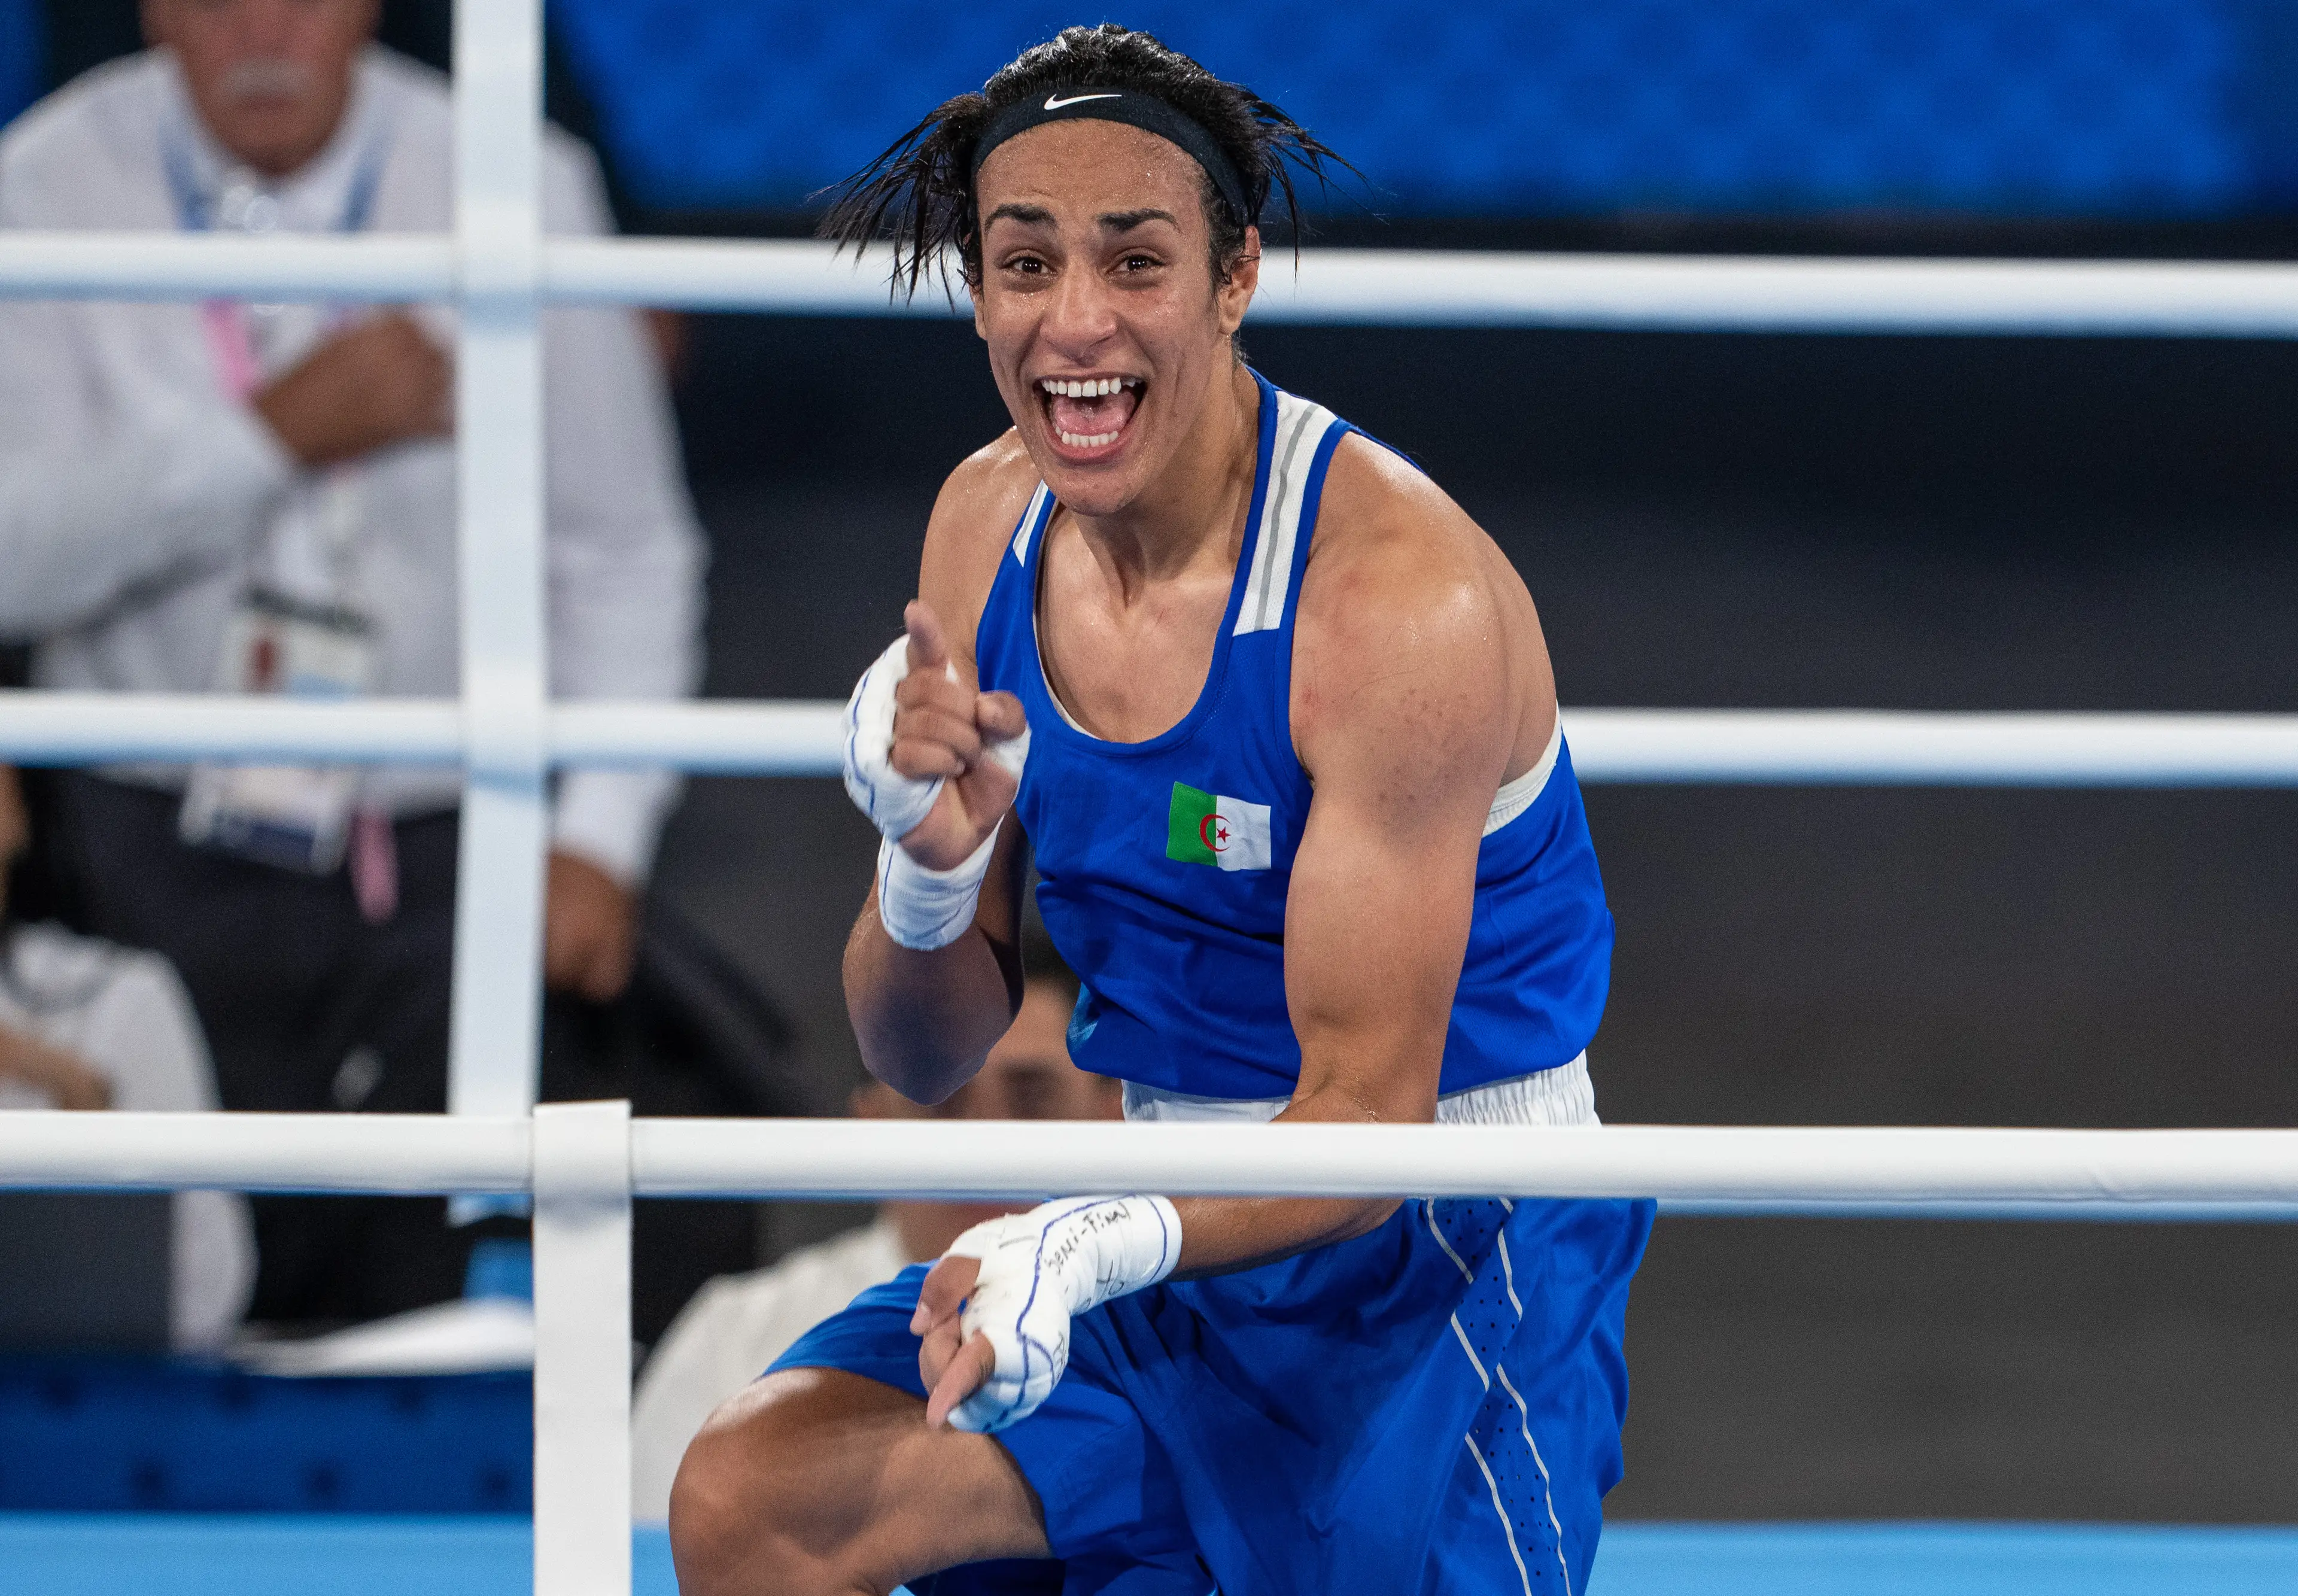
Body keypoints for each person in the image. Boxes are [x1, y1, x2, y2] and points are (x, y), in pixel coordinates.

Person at [670, 24, 1652, 1596]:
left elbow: (1368, 1127)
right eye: (1024, 262)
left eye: (1135, 260)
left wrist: (1092, 1234)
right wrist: (925, 865)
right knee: (759, 1494)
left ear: (1233, 274)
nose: (1076, 324)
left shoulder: (1395, 605)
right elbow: (921, 1055)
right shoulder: (981, 529)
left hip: (1442, 1249)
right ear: (976, 289)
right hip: (1150, 1217)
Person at [0, 1, 701, 1319]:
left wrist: (601, 833)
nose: (263, 26)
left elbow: (626, 551)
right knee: (160, 1306)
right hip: (141, 836)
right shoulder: (39, 189)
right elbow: (11, 552)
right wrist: (265, 439)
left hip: (449, 835)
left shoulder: (518, 179)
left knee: (435, 1297)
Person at [631, 944, 1120, 1525]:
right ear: (873, 1127)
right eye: (941, 1102)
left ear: (1114, 1115)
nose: (985, 1146)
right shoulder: (732, 1341)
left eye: (1032, 1099)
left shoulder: (1190, 1340)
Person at [0, 765, 255, 1349]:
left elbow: (212, 1291)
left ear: (14, 803)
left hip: (79, 1407)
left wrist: (76, 1097)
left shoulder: (121, 996)